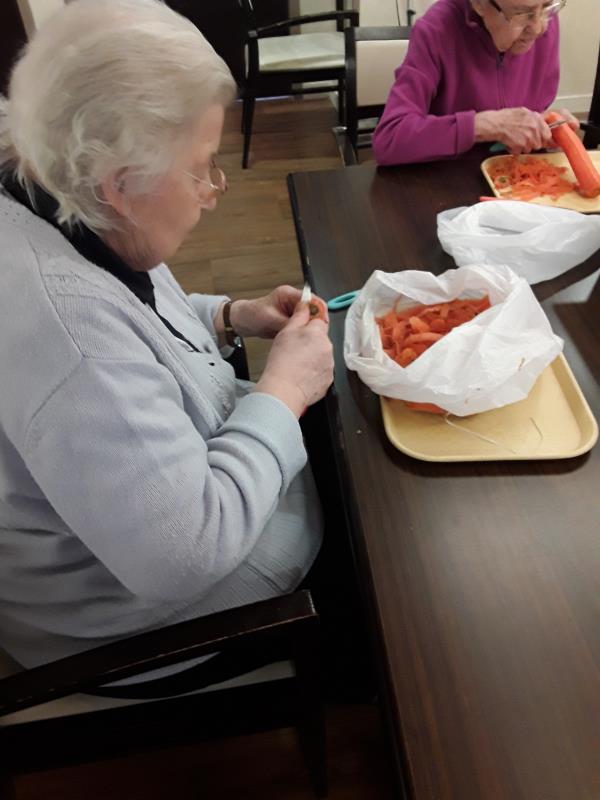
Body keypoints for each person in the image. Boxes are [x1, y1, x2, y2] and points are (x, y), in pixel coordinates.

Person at [0, 0, 335, 680]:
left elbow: (139, 319)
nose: (215, 189)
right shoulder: (70, 338)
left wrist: (230, 316)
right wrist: (284, 390)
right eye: (203, 166)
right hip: (135, 626)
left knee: (347, 436)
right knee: (391, 569)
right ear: (123, 185)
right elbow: (186, 552)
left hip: (150, 528)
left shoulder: (61, 191)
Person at [373, 0, 579, 165]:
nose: (538, 28)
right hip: (448, 182)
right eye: (522, 13)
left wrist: (542, 127)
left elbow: (529, 110)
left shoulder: (545, 24)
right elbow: (389, 140)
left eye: (547, 6)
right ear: (479, 4)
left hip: (513, 181)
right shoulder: (436, 30)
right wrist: (484, 125)